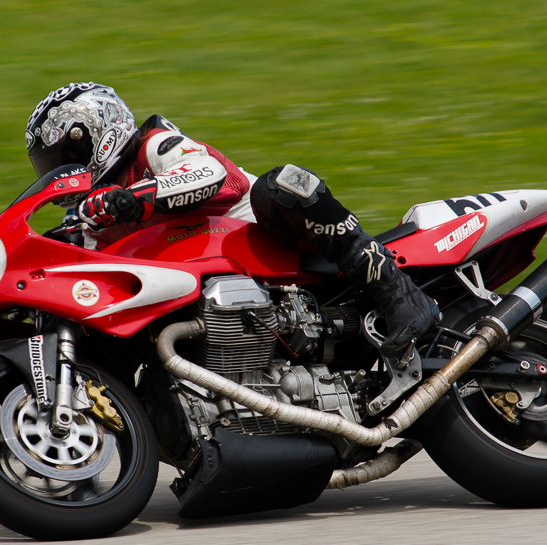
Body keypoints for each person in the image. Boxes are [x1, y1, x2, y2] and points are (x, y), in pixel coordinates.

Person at [25, 82, 437, 358]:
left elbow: (215, 177)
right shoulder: (97, 219)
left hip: (278, 245)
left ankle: (398, 293)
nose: (64, 171)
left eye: (67, 157)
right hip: (219, 296)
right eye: (51, 166)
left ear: (99, 134)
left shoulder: (155, 146)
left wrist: (135, 199)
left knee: (282, 185)